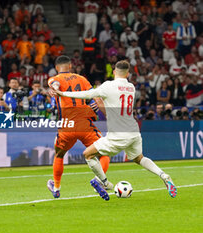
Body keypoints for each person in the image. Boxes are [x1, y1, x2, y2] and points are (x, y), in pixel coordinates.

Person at [54, 60, 177, 200]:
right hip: (133, 131)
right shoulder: (131, 87)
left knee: (88, 154)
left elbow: (87, 95)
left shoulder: (108, 86)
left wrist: (63, 94)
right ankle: (163, 175)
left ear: (113, 72)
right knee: (139, 158)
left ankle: (104, 182)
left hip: (118, 134)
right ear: (128, 74)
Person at [46, 55, 108, 198]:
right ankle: (99, 181)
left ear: (56, 67)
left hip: (67, 126)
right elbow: (97, 99)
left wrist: (56, 89)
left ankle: (56, 188)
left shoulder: (54, 79)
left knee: (59, 154)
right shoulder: (82, 79)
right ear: (70, 66)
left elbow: (54, 84)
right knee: (104, 153)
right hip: (85, 125)